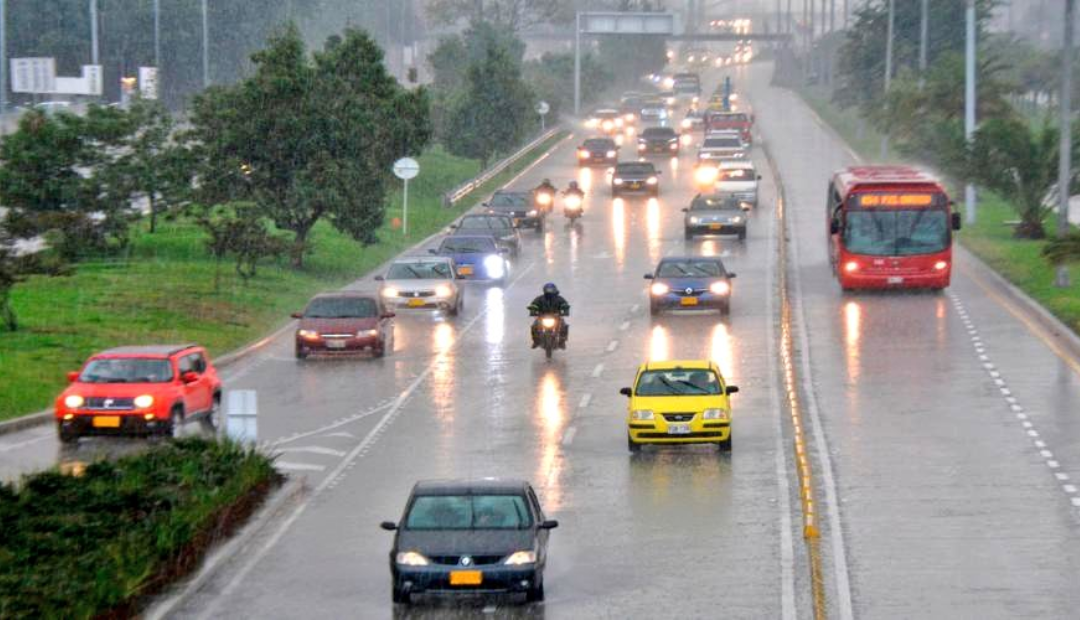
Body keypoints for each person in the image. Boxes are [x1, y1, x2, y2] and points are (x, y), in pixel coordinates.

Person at [527, 282, 570, 349]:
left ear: (555, 289)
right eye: (548, 289)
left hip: (556, 317)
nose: (549, 291)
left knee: (564, 325)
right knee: (534, 326)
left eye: (551, 289)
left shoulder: (559, 298)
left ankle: (562, 341)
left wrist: (565, 310)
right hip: (542, 317)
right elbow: (534, 304)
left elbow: (565, 304)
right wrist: (533, 310)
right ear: (544, 290)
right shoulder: (540, 298)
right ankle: (536, 341)